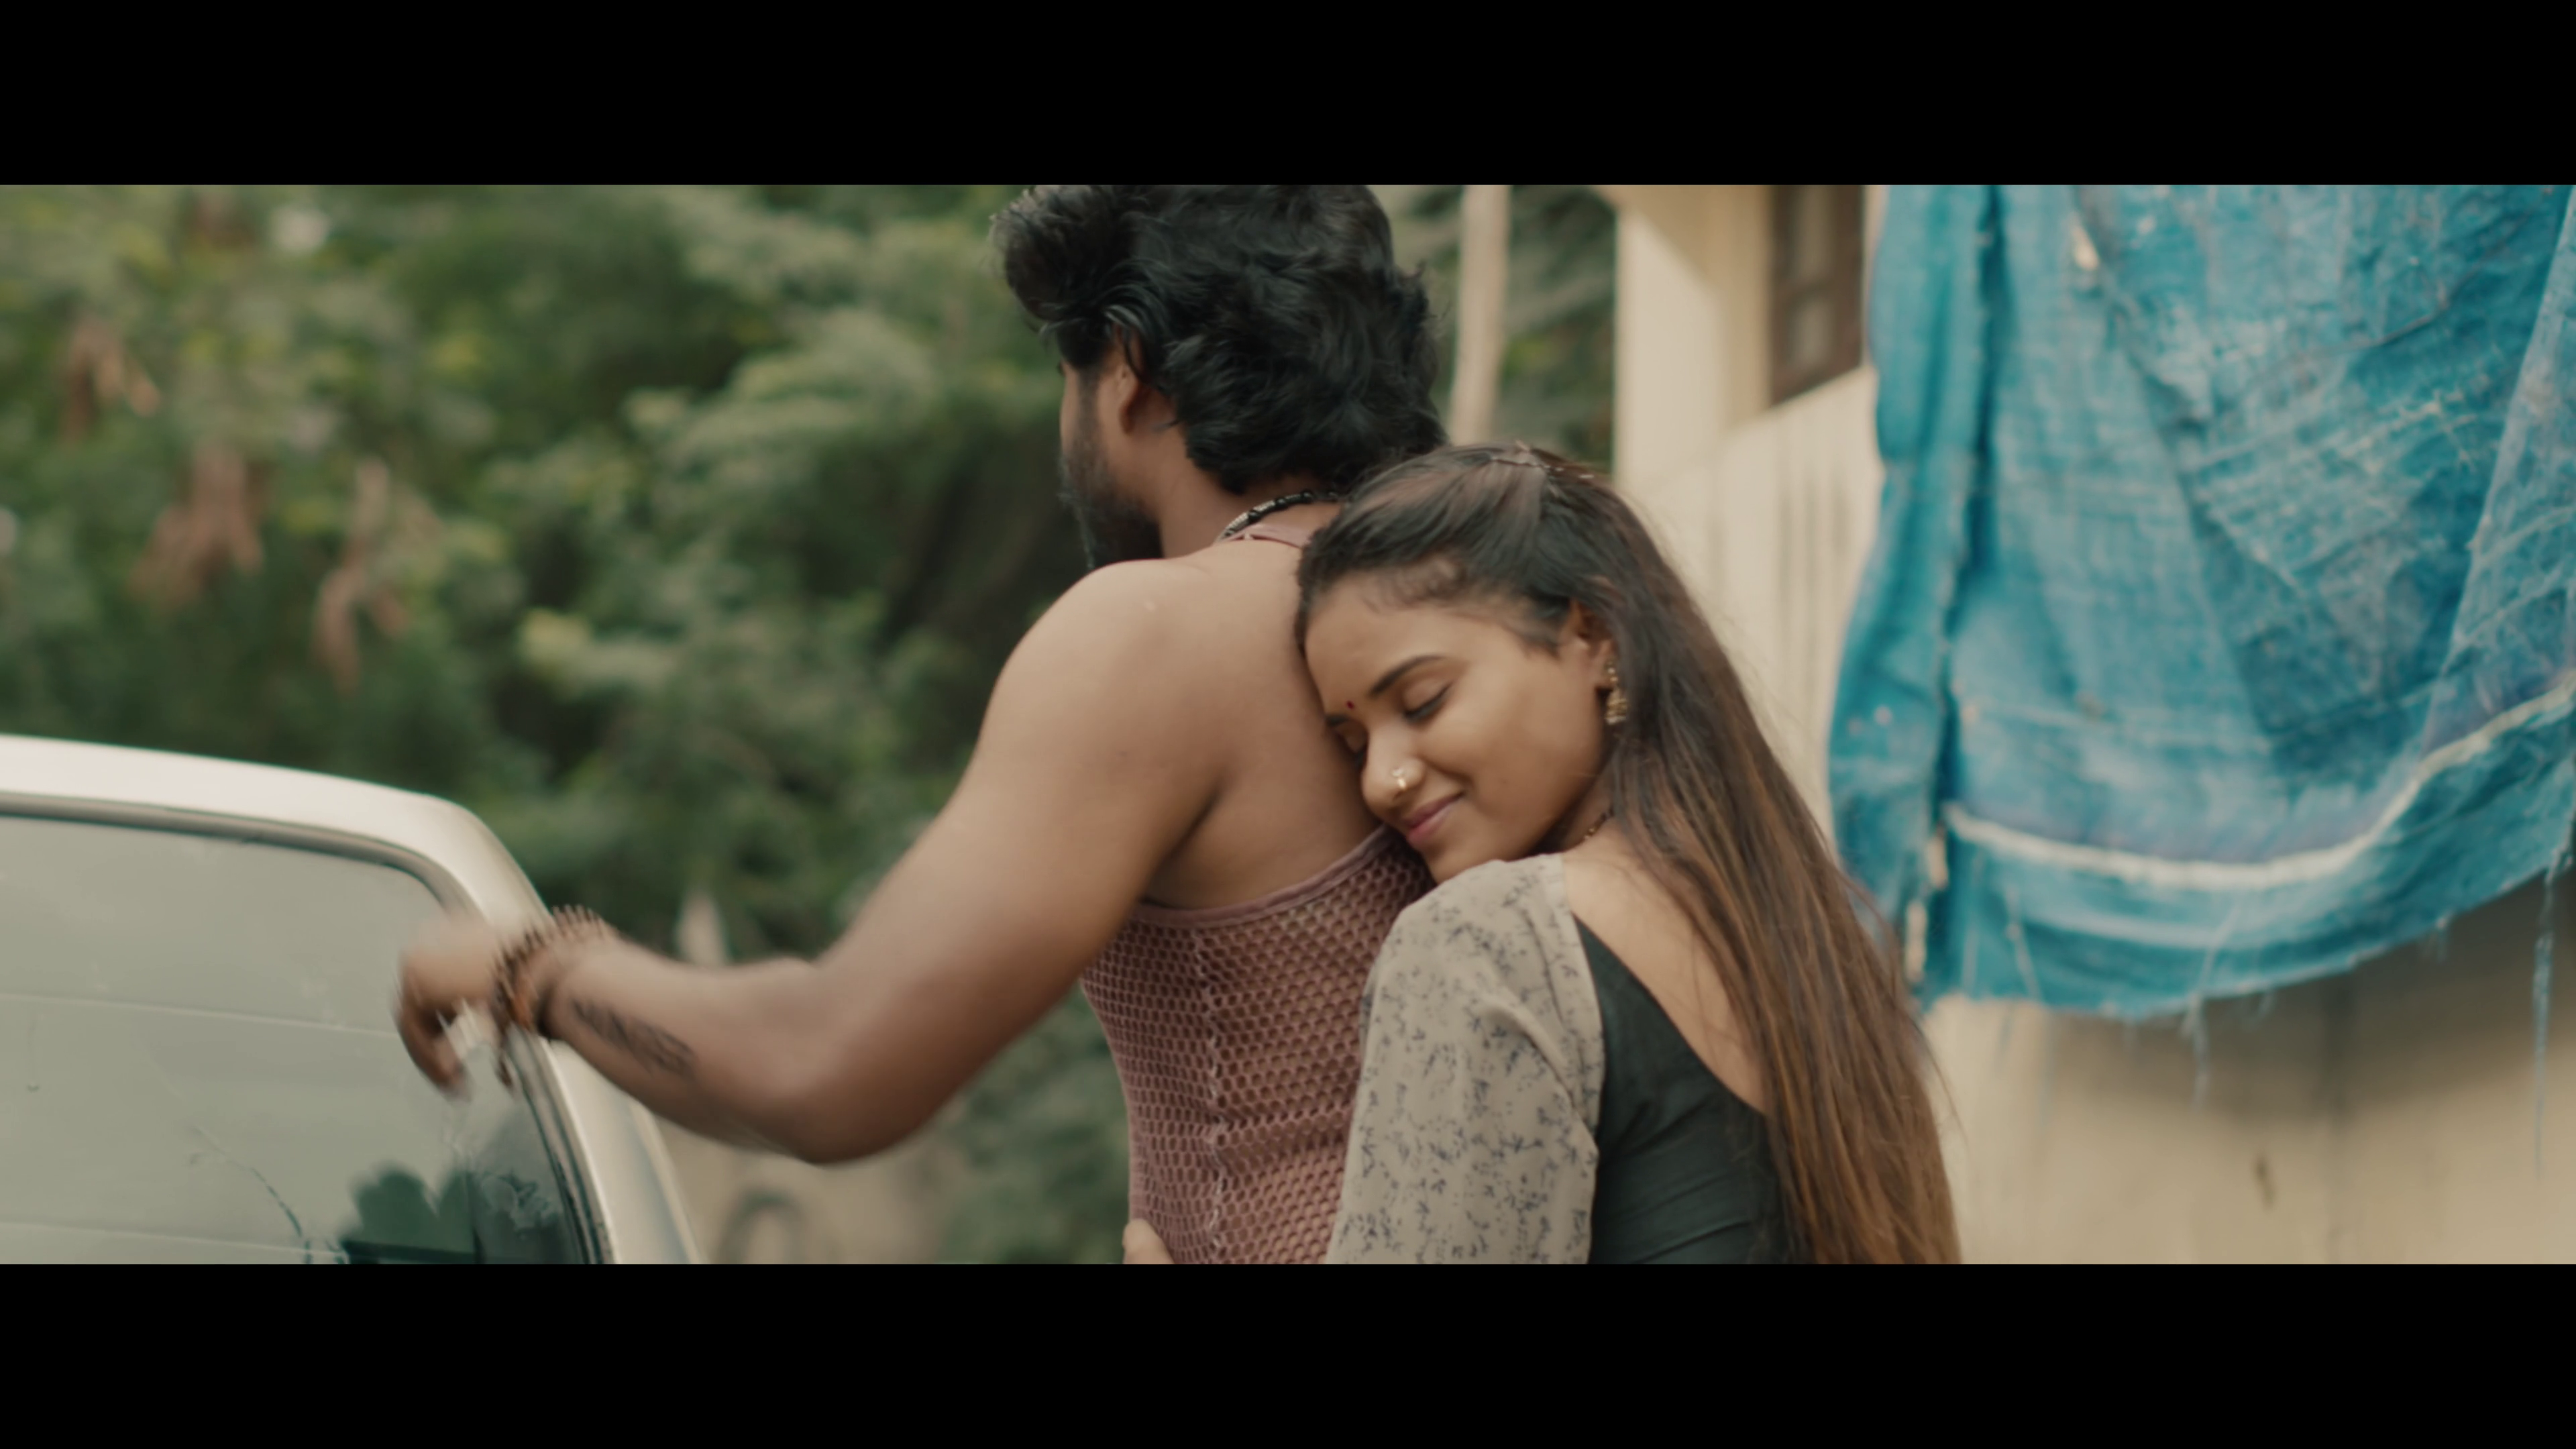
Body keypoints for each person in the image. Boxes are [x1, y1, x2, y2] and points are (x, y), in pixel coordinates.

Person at [393, 186, 1445, 1263]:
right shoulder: (1481, 606)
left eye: (1067, 375)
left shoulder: (1158, 634)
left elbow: (825, 1069)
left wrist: (532, 968)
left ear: (1128, 373)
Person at [1128, 443, 1958, 1263]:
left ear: (1594, 635)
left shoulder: (1489, 940)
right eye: (1354, 744)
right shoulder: (1821, 951)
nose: (1384, 779)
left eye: (1423, 701)